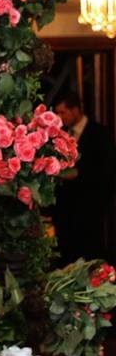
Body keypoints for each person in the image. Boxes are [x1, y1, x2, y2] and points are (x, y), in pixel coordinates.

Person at [54, 91, 116, 263]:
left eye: (63, 112)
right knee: (66, 257)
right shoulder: (61, 134)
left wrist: (78, 174)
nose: (60, 118)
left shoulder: (99, 133)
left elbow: (107, 170)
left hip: (89, 208)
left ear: (75, 110)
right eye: (57, 113)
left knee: (90, 256)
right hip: (65, 210)